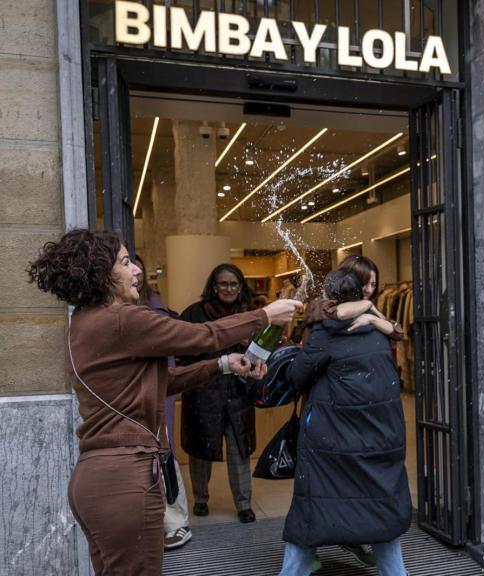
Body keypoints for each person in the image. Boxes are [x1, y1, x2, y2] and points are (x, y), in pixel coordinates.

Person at [26, 229, 300, 576]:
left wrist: (222, 364)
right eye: (126, 262)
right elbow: (203, 335)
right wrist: (265, 316)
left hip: (96, 480)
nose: (138, 270)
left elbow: (160, 382)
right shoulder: (124, 320)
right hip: (126, 479)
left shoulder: (84, 322)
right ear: (101, 273)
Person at [278, 270, 411, 576]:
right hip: (379, 439)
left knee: (311, 511)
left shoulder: (325, 332)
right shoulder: (378, 330)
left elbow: (297, 377)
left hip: (331, 443)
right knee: (381, 512)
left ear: (331, 298)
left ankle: (294, 571)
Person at [178, 263, 263, 523]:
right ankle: (201, 499)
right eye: (223, 284)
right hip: (203, 393)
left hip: (238, 394)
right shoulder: (194, 313)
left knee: (239, 449)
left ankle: (244, 504)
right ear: (213, 287)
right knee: (200, 450)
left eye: (234, 284)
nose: (229, 289)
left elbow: (264, 350)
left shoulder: (252, 314)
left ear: (241, 287)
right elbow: (181, 352)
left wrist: (250, 347)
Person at [134, 255, 192, 550]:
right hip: (130, 401)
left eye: (137, 267)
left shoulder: (155, 309)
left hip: (155, 395)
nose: (134, 272)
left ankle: (175, 521)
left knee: (163, 454)